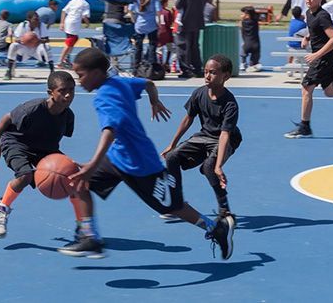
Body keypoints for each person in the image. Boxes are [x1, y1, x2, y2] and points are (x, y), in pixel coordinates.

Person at [66, 48, 235, 259]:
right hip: (119, 158)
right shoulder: (120, 82)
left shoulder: (104, 97)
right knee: (80, 184)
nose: (79, 81)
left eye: (81, 75)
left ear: (97, 73)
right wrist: (154, 101)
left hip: (142, 165)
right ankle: (89, 236)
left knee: (175, 208)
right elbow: (148, 83)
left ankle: (216, 228)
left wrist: (92, 165)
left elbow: (110, 130)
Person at [0, 72, 103, 256]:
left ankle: (83, 229)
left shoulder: (68, 116)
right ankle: (1, 208)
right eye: (62, 91)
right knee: (25, 175)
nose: (68, 95)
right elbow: (7, 118)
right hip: (16, 142)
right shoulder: (33, 108)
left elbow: (52, 139)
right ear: (50, 92)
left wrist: (61, 164)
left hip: (44, 148)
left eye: (71, 90)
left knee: (74, 179)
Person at [161, 55, 241, 219]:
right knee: (172, 157)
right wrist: (172, 144)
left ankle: (224, 209)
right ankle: (177, 203)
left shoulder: (230, 103)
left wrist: (218, 166)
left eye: (212, 72)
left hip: (227, 139)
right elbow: (187, 119)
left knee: (209, 168)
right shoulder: (199, 93)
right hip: (205, 136)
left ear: (225, 76)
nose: (207, 76)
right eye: (205, 72)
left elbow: (225, 134)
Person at [284, 0, 333, 138]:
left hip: (323, 58)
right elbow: (314, 28)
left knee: (306, 88)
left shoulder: (322, 15)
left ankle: (304, 127)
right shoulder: (309, 13)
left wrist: (316, 55)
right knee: (330, 92)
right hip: (323, 58)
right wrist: (307, 37)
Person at [175, 0, 208, 79]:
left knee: (183, 46)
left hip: (186, 22)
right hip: (197, 22)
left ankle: (186, 69)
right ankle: (197, 68)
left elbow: (178, 5)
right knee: (195, 46)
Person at [5, 11, 52, 80]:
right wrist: (24, 40)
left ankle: (52, 70)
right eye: (35, 19)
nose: (37, 21)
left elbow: (47, 40)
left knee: (46, 46)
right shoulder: (23, 25)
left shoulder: (41, 25)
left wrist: (37, 40)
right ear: (29, 20)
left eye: (38, 19)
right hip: (25, 49)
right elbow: (16, 39)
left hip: (36, 49)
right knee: (13, 45)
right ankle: (9, 70)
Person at [129, 0, 161, 70]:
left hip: (140, 23)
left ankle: (136, 67)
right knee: (152, 46)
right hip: (151, 23)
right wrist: (159, 22)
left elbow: (130, 9)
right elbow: (158, 11)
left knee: (138, 47)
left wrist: (133, 19)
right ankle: (151, 67)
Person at [58, 0, 91, 69]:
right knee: (70, 41)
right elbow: (84, 16)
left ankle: (66, 58)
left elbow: (64, 11)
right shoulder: (85, 3)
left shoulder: (72, 1)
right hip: (74, 23)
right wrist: (87, 23)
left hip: (68, 21)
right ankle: (60, 61)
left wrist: (62, 22)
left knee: (73, 39)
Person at [157, 0, 175, 72]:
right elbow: (169, 23)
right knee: (169, 47)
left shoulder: (156, 11)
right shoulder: (167, 12)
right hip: (166, 32)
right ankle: (167, 63)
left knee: (159, 49)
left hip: (158, 31)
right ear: (165, 2)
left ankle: (160, 63)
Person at [240, 6, 261, 72]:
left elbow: (240, 26)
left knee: (243, 50)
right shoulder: (255, 22)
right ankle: (253, 65)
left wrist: (242, 19)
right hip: (256, 44)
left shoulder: (243, 22)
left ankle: (243, 63)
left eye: (243, 14)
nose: (241, 15)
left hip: (246, 44)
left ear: (247, 15)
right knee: (255, 57)